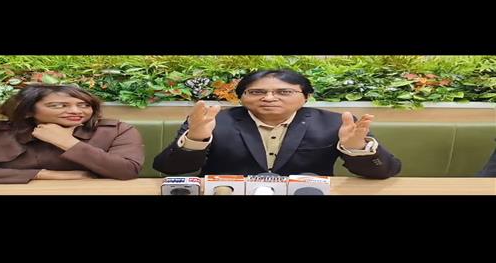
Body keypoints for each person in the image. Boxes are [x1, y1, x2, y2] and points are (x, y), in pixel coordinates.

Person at [153, 69, 401, 179]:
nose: (269, 98)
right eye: (257, 92)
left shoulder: (335, 123)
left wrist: (357, 149)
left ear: (305, 97)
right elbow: (169, 169)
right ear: (241, 97)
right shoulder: (212, 121)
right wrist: (195, 140)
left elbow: (385, 172)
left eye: (284, 92)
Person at [0, 84, 145, 183]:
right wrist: (42, 174)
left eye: (84, 105)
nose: (76, 111)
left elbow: (127, 171)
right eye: (58, 105)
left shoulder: (117, 130)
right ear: (28, 110)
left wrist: (68, 143)